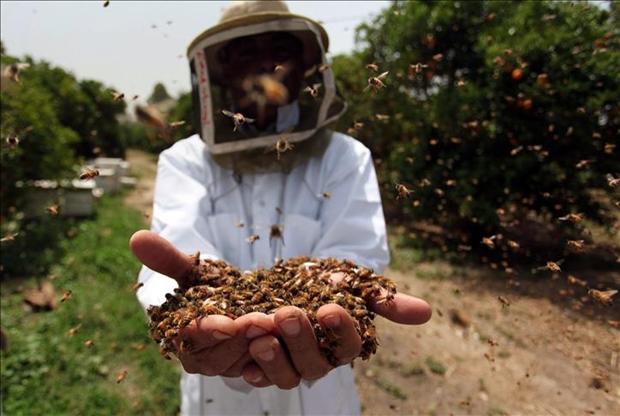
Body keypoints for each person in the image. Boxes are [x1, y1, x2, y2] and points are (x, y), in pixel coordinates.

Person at [129, 1, 432, 415]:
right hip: (217, 398)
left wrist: (339, 288)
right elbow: (171, 268)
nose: (263, 65)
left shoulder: (345, 156)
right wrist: (197, 312)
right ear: (222, 69)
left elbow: (357, 255)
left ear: (303, 67)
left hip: (321, 395)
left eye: (278, 50)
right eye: (245, 52)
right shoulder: (185, 160)